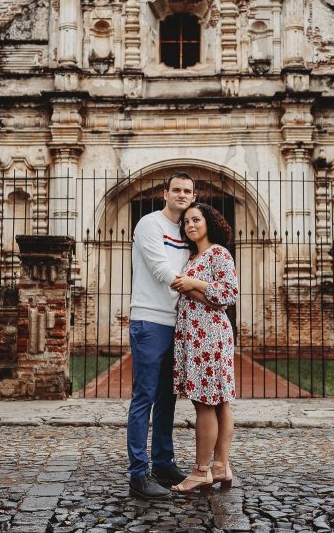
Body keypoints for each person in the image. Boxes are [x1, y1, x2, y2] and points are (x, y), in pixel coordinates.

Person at [126, 172, 195, 499]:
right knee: (145, 395)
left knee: (169, 396)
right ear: (164, 193)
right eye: (176, 189)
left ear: (193, 197)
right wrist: (205, 291)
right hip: (149, 320)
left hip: (177, 322)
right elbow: (161, 270)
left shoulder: (187, 231)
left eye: (187, 191)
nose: (182, 195)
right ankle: (138, 473)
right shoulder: (149, 224)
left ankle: (163, 463)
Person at [168, 202, 238, 493]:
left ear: (209, 221)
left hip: (208, 335)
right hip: (196, 334)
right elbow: (207, 298)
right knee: (219, 401)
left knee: (205, 402)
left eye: (196, 219)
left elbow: (227, 295)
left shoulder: (218, 253)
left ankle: (201, 471)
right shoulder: (193, 256)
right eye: (186, 222)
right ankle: (221, 466)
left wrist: (191, 282)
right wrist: (192, 285)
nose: (190, 225)